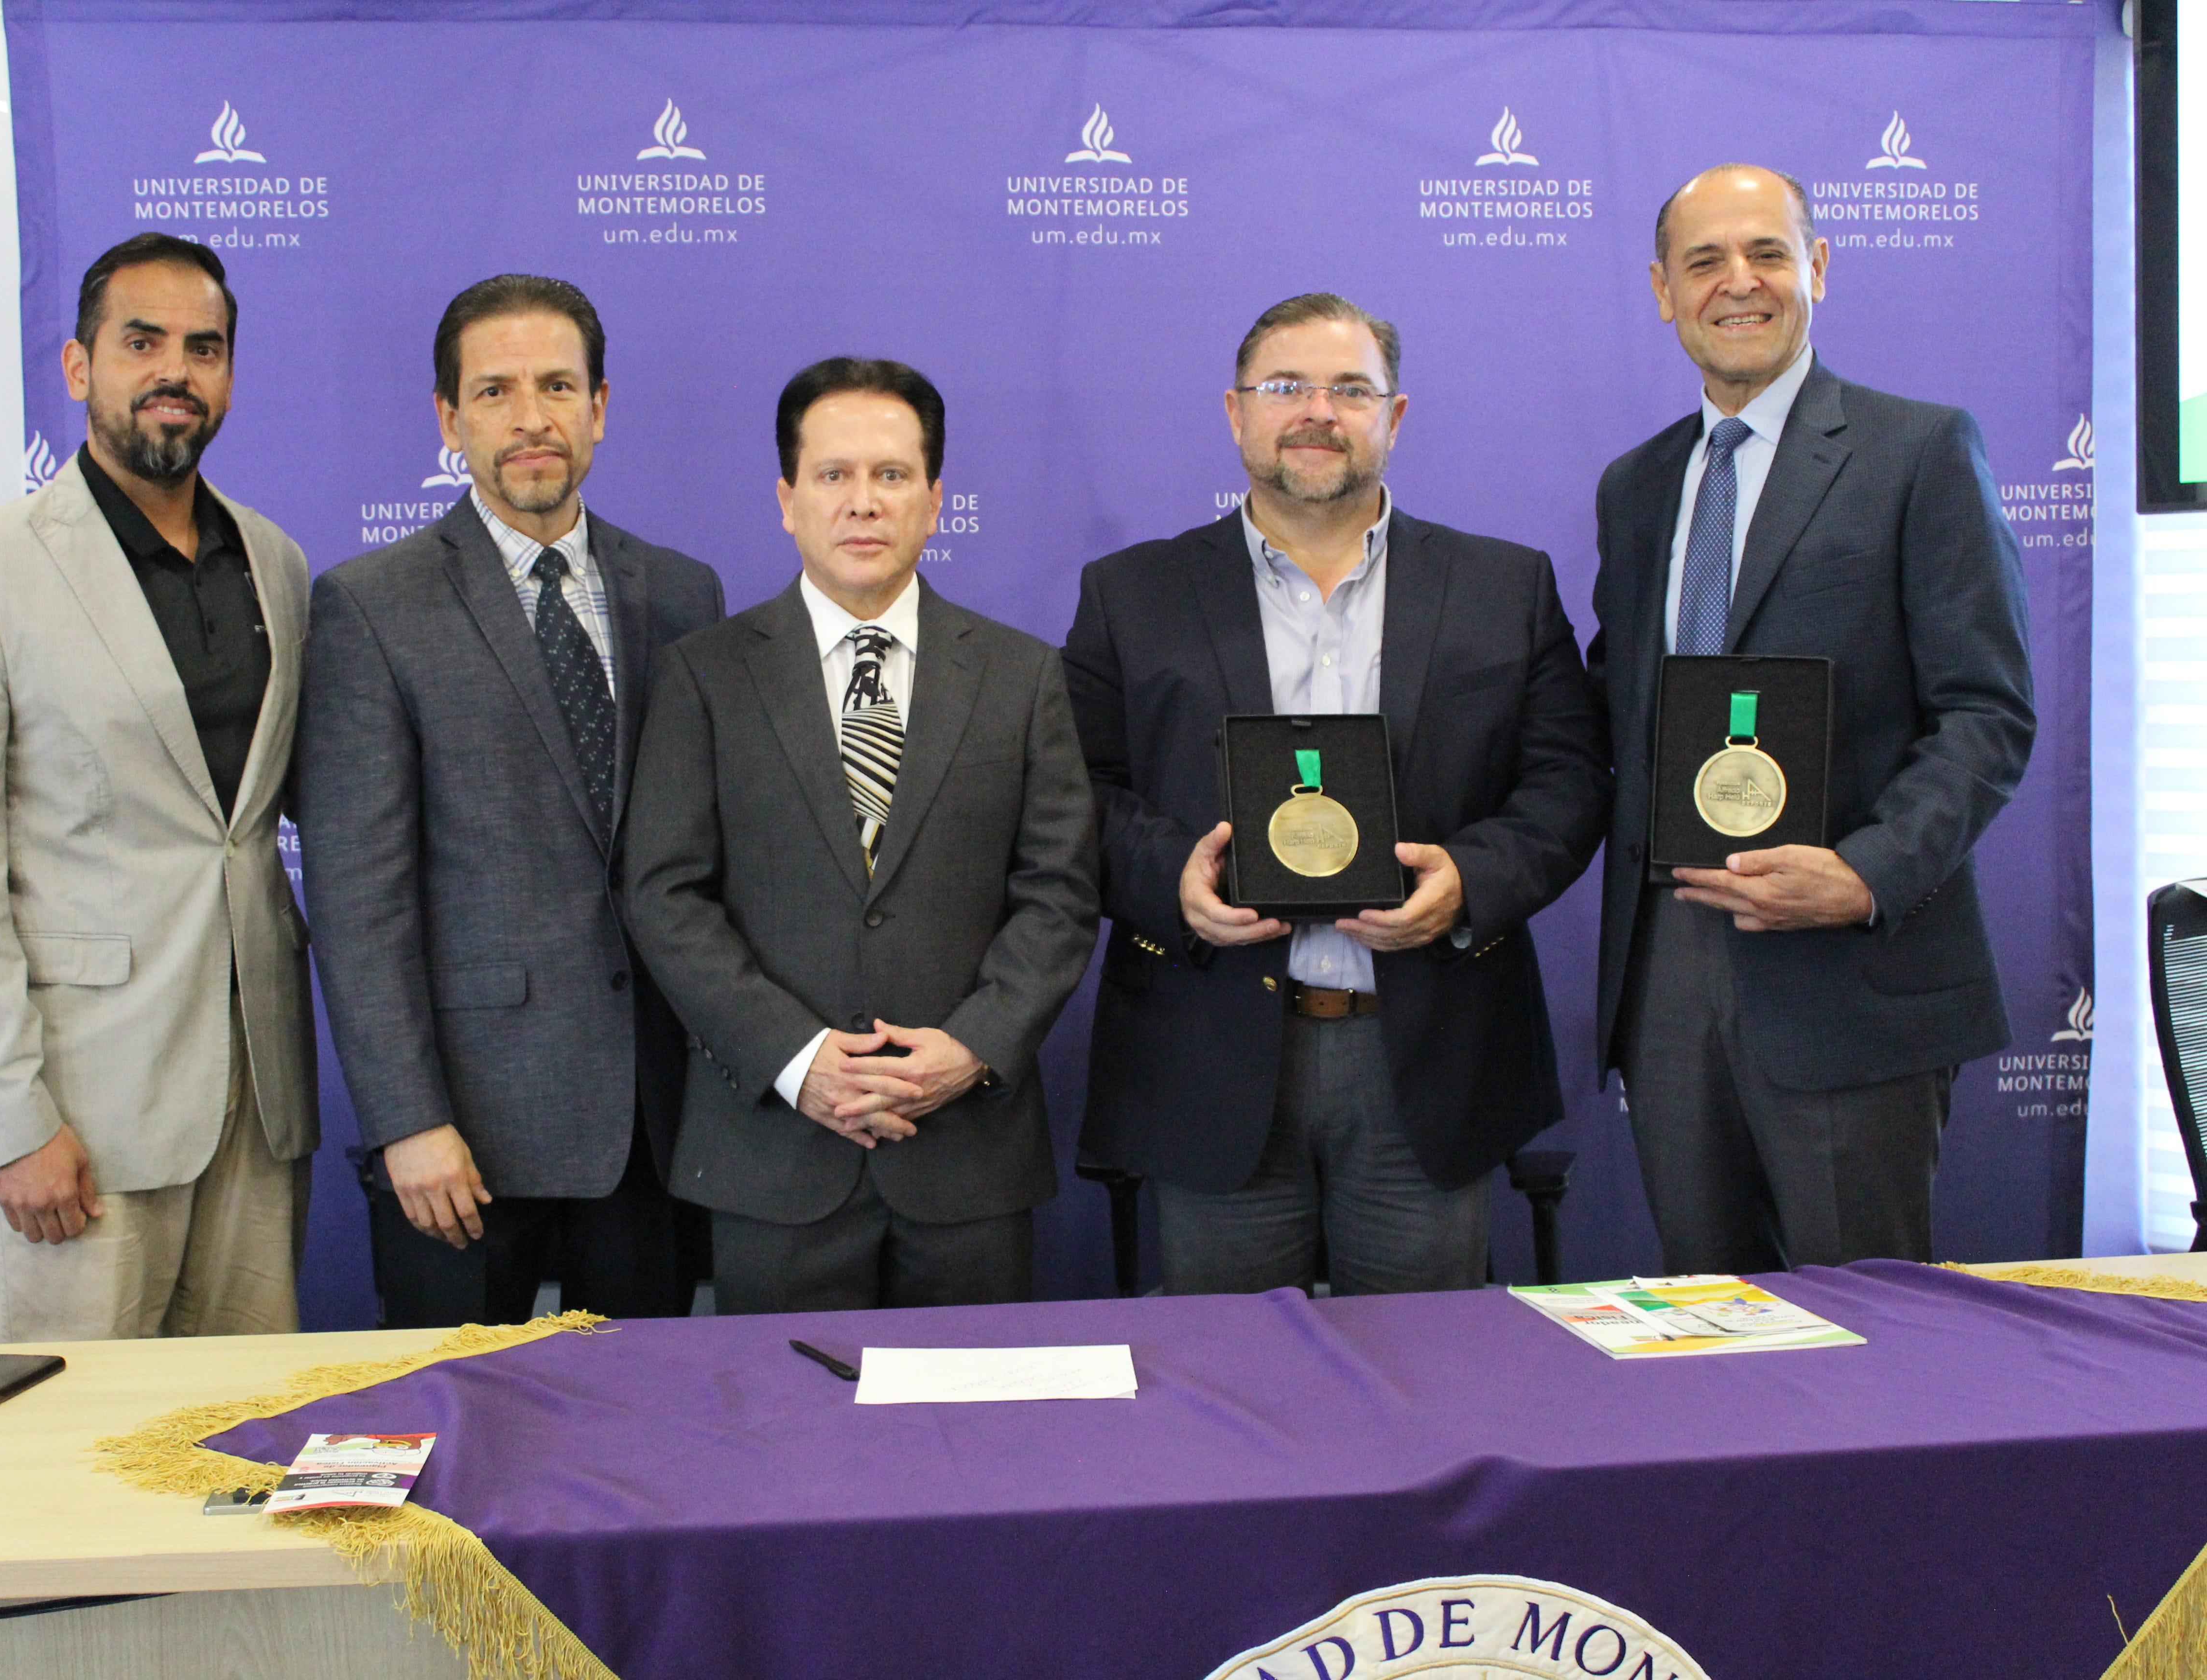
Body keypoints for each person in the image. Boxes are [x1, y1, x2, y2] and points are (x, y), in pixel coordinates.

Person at [1062, 294, 1609, 1295]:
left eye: (1350, 389)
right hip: (1212, 1056)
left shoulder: (1504, 586)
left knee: (1430, 1390)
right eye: (1286, 388)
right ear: (1236, 414)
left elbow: (1569, 782)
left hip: (1427, 1060)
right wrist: (1170, 882)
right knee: (1235, 1400)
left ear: (1394, 418)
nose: (1316, 411)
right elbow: (1074, 794)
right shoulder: (1130, 594)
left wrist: (1472, 881)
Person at [1590, 165, 2034, 1273]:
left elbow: (1987, 712)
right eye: (1704, 262)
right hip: (1670, 974)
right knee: (1709, 1330)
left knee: (1862, 1341)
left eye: (1768, 254)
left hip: (1850, 972)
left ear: (1818, 269)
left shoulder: (1918, 452)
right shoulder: (1638, 486)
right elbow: (1617, 706)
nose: (1738, 284)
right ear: (1661, 291)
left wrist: (1868, 872)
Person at [0, 232, 316, 1341]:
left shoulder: (276, 561)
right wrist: (10, 1120)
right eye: (143, 342)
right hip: (74, 1122)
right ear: (79, 367)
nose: (176, 369)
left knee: (239, 1458)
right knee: (68, 1476)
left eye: (204, 347)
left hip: (256, 1115)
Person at [622, 357, 1099, 1314]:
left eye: (891, 476)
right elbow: (665, 895)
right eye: (834, 476)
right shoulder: (706, 675)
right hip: (775, 1155)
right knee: (786, 1446)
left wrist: (971, 1048)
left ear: (933, 501)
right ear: (787, 500)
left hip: (968, 1160)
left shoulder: (1021, 676)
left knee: (974, 1447)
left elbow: (1060, 894)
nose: (863, 502)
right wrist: (797, 1060)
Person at [296, 275, 723, 1327]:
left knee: (642, 1442)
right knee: (454, 1441)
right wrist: (407, 1120)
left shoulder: (681, 592)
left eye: (557, 386)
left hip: (651, 1125)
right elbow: (359, 900)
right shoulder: (371, 606)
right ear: (449, 419)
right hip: (465, 1140)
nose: (530, 418)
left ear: (600, 408)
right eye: (494, 392)